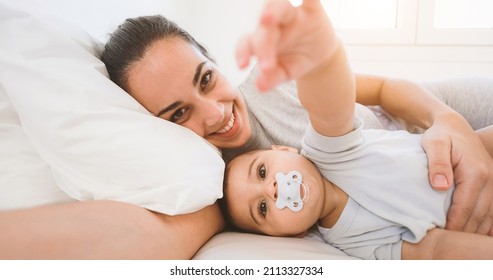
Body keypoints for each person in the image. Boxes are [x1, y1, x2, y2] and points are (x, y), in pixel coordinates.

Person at [2, 0, 491, 260]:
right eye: (178, 114)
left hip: (436, 114)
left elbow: (377, 89)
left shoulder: (269, 88)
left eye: (206, 80)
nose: (214, 114)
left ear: (214, 62)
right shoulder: (216, 194)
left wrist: (449, 122)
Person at [221, 0, 493, 259]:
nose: (272, 190)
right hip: (476, 216)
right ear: (289, 236)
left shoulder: (328, 152)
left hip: (469, 150)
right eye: (263, 208)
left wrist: (320, 54)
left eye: (262, 171)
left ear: (284, 149)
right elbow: (434, 250)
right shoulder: (353, 242)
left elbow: (329, 105)